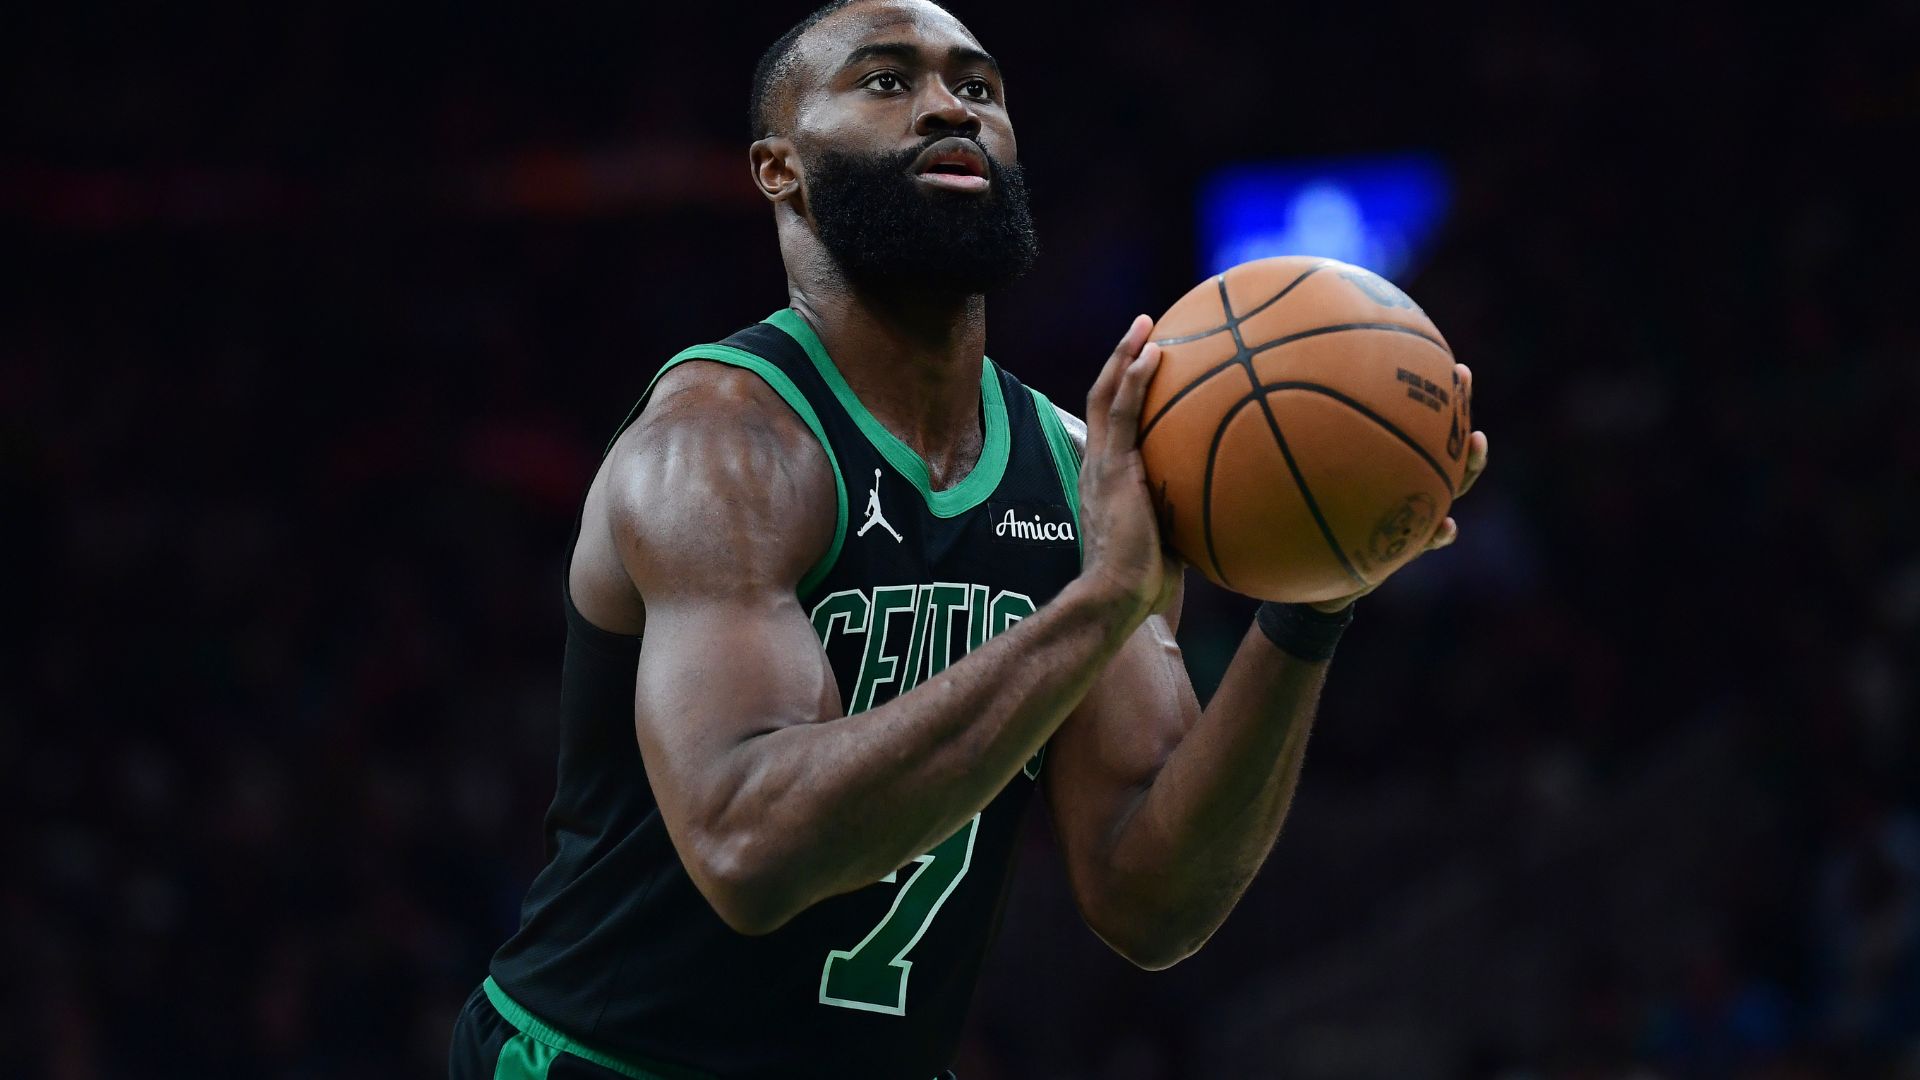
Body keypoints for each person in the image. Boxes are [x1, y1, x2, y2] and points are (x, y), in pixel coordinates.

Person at [449, 1, 1489, 1077]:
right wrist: (1100, 604)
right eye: (888, 82)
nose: (951, 105)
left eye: (979, 87)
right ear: (779, 169)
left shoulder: (1082, 473)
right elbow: (746, 848)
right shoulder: (724, 445)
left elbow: (1150, 900)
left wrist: (1313, 606)